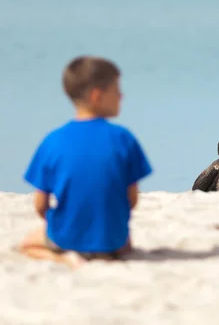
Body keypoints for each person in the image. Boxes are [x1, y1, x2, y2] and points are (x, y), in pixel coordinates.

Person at [17, 55, 153, 269]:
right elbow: (132, 200)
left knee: (28, 244)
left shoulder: (52, 141)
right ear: (97, 96)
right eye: (116, 90)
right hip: (112, 238)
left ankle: (63, 258)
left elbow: (40, 205)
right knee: (123, 242)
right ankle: (108, 250)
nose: (122, 96)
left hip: (67, 236)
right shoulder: (124, 138)